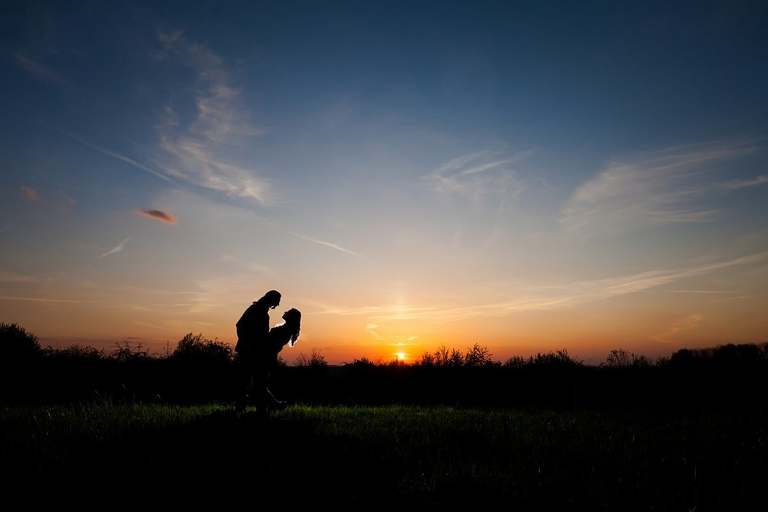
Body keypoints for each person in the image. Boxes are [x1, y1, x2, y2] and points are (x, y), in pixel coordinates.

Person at [234, 290, 281, 410]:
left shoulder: (262, 310)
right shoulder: (256, 309)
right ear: (272, 300)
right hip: (249, 351)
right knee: (250, 381)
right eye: (277, 301)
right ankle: (255, 409)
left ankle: (259, 408)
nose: (278, 304)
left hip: (255, 351)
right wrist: (247, 342)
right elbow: (239, 325)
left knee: (256, 381)